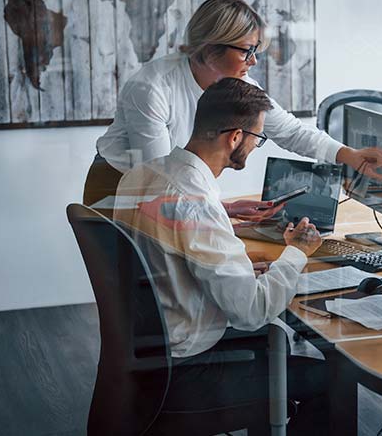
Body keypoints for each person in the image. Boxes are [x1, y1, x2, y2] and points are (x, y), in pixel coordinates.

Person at [113, 78, 328, 433]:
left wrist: (241, 271)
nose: (257, 146)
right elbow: (250, 312)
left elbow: (172, 260)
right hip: (184, 374)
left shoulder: (140, 176)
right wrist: (297, 253)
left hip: (148, 354)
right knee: (326, 375)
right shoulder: (195, 201)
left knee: (276, 343)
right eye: (258, 138)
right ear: (234, 137)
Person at [85, 0, 382, 218]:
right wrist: (216, 215)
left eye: (257, 51)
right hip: (119, 186)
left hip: (171, 192)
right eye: (247, 51)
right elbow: (159, 178)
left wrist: (351, 156)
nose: (253, 61)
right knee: (130, 295)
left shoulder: (239, 85)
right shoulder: (151, 87)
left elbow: (289, 130)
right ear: (211, 49)